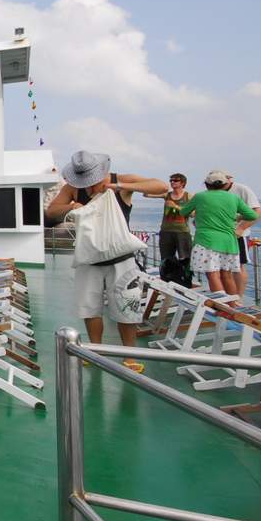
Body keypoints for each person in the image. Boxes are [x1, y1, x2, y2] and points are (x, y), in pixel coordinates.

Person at [45, 151, 166, 373]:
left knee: (126, 307)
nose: (89, 186)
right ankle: (95, 350)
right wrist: (71, 207)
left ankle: (129, 354)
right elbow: (52, 211)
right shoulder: (73, 189)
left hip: (122, 259)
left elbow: (160, 186)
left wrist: (120, 186)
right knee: (90, 308)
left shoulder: (120, 181)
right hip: (89, 259)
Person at [178, 171, 258, 301]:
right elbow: (253, 215)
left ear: (206, 184)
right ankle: (233, 304)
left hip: (206, 241)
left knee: (213, 275)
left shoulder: (200, 197)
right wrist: (236, 217)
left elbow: (183, 212)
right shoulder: (233, 198)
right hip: (229, 242)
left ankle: (222, 305)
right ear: (225, 184)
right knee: (227, 275)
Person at [147, 173, 193, 286]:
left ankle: (186, 281)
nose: (172, 182)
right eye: (171, 180)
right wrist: (154, 184)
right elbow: (146, 194)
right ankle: (167, 280)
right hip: (166, 231)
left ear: (182, 183)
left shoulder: (189, 196)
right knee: (166, 258)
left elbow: (193, 214)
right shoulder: (166, 195)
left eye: (175, 180)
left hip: (182, 232)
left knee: (185, 258)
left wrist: (176, 207)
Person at [224, 175, 261, 299]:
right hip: (220, 234)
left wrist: (241, 228)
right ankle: (228, 296)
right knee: (223, 267)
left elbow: (258, 212)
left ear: (229, 179)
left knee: (238, 266)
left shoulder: (241, 189)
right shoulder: (214, 191)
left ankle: (238, 297)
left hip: (238, 234)